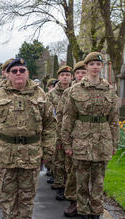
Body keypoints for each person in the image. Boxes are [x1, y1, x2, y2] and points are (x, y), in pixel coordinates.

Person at [0, 58, 56, 219]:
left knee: (27, 196)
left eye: (21, 70)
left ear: (27, 73)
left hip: (31, 153)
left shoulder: (40, 94)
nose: (18, 74)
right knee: (7, 196)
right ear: (7, 74)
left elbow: (50, 125)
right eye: (14, 71)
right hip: (6, 152)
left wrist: (47, 151)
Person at [62, 52, 119, 219]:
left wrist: (114, 144)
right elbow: (68, 118)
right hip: (82, 141)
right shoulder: (75, 90)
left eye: (98, 64)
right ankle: (84, 216)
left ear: (101, 67)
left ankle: (96, 216)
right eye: (91, 64)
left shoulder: (109, 90)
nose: (95, 67)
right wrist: (67, 144)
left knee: (99, 181)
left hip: (102, 141)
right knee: (81, 181)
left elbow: (113, 120)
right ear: (86, 67)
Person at [62, 61, 87, 217]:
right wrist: (64, 140)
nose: (81, 75)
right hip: (74, 138)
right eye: (78, 73)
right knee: (72, 171)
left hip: (90, 139)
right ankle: (73, 201)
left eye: (83, 72)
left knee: (88, 174)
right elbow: (64, 117)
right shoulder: (69, 92)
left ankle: (86, 204)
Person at [48, 66, 73, 201]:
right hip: (57, 130)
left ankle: (69, 187)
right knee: (59, 160)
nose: (65, 77)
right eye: (62, 75)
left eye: (67, 75)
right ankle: (60, 186)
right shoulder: (51, 95)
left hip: (72, 132)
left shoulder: (74, 91)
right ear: (58, 77)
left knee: (70, 163)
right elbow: (50, 115)